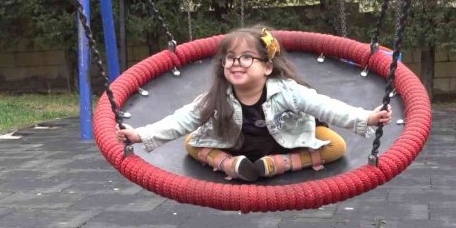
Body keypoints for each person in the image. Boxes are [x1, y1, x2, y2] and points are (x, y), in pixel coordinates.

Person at [116, 26, 392, 182]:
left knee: (336, 145)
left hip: (287, 142)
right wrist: (141, 135)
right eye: (230, 57)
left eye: (247, 57)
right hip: (238, 145)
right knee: (190, 141)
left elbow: (325, 106)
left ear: (267, 67)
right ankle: (229, 164)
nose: (236, 63)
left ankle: (280, 164)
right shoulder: (218, 95)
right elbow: (183, 118)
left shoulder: (288, 91)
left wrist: (366, 118)